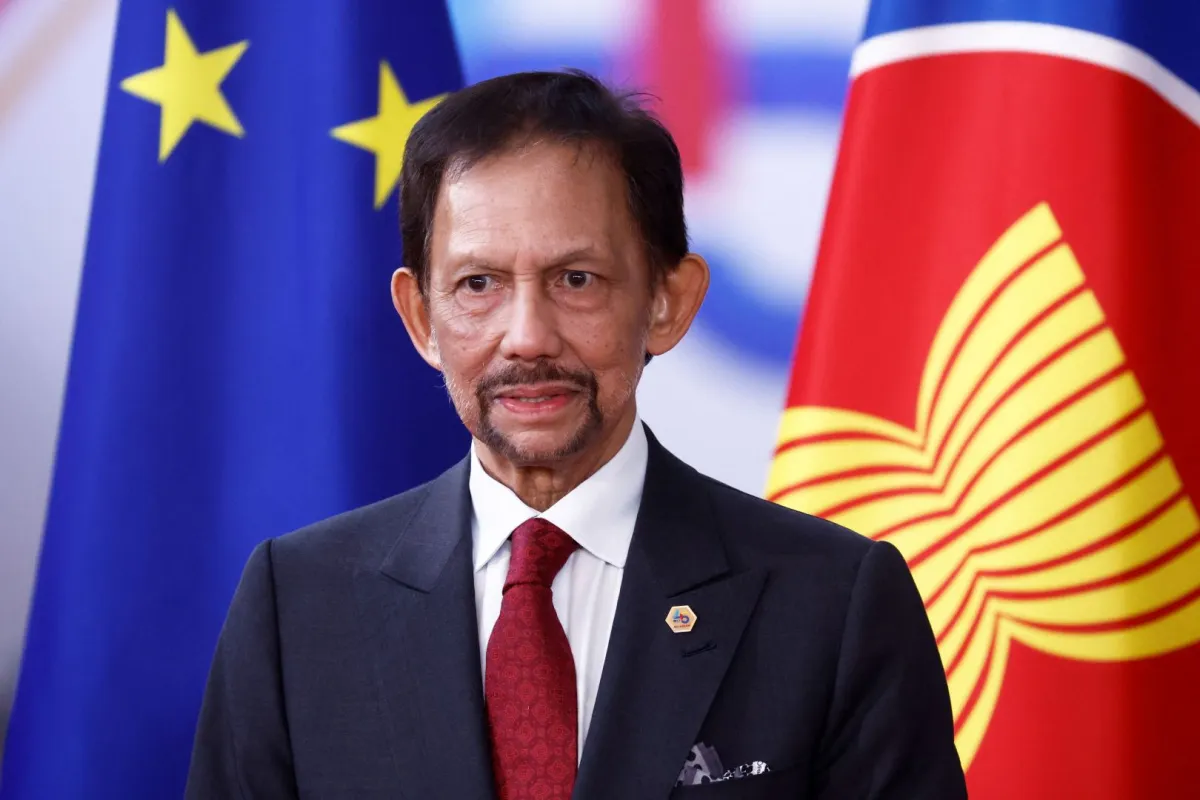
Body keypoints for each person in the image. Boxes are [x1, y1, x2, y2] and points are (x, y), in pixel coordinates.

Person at [185, 70, 967, 800]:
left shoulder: (834, 602)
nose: (526, 337)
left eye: (576, 280)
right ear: (421, 317)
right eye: (478, 285)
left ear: (668, 299)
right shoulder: (297, 606)